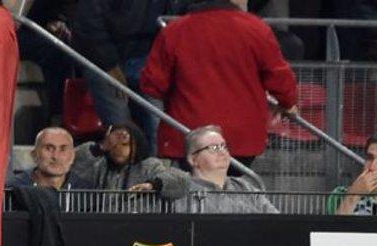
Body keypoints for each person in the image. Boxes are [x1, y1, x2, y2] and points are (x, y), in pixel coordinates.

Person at [140, 0, 298, 164]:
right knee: (235, 187)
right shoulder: (256, 28)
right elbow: (279, 77)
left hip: (188, 136)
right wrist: (288, 103)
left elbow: (152, 85)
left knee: (189, 187)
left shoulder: (175, 30)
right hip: (241, 139)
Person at [73, 1, 187, 147]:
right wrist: (109, 65)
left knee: (159, 128)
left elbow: (181, 13)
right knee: (121, 130)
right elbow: (87, 23)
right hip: (104, 61)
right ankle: (124, 167)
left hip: (149, 59)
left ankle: (156, 168)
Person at [71, 122, 191, 202]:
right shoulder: (98, 164)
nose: (118, 149)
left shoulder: (149, 166)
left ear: (136, 145)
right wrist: (100, 147)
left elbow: (182, 180)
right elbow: (70, 164)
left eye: (125, 144)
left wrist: (153, 185)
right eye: (113, 145)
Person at [172, 125, 278, 213]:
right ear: (193, 159)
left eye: (224, 146)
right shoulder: (180, 190)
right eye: (214, 148)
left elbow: (275, 221)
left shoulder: (245, 187)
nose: (222, 152)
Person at [7, 127, 91, 191]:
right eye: (48, 148)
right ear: (34, 155)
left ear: (73, 156)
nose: (56, 156)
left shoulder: (88, 192)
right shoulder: (13, 189)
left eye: (63, 149)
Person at [327, 135, 377, 217]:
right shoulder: (340, 194)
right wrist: (353, 195)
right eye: (370, 158)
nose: (372, 167)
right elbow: (335, 228)